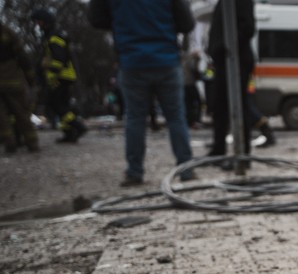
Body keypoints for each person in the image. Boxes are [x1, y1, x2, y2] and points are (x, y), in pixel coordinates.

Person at [89, 0, 196, 186]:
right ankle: (186, 168)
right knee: (176, 117)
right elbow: (187, 23)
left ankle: (134, 172)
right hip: (166, 58)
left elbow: (96, 19)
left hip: (132, 59)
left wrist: (122, 22)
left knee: (135, 118)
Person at [207, 0, 256, 161]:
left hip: (236, 59)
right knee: (220, 106)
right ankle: (219, 150)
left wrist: (224, 45)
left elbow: (247, 28)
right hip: (225, 59)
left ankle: (242, 153)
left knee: (238, 106)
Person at [31, 8, 87, 143]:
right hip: (62, 76)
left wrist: (52, 76)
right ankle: (69, 133)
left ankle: (77, 127)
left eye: (39, 22)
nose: (38, 25)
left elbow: (58, 59)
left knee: (57, 105)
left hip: (61, 76)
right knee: (62, 105)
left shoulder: (54, 37)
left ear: (46, 22)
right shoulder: (51, 36)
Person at [0, 23, 40, 153]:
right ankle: (32, 143)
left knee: (2, 117)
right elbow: (22, 56)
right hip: (13, 79)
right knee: (22, 113)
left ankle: (9, 144)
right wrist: (31, 79)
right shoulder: (7, 32)